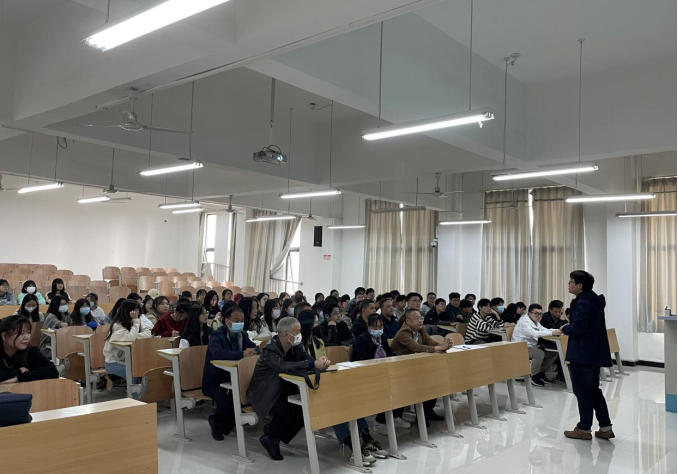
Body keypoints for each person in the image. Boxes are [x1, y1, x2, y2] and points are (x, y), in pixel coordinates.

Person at [248, 317, 330, 461]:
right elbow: (283, 366)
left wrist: (319, 362)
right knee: (285, 411)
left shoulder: (295, 345)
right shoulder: (269, 350)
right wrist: (312, 365)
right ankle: (271, 439)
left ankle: (275, 435)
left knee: (303, 408)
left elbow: (305, 357)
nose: (300, 334)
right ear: (286, 335)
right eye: (297, 331)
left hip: (282, 389)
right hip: (264, 393)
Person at [562, 271, 615, 441]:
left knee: (583, 392)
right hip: (594, 353)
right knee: (593, 390)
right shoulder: (594, 300)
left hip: (582, 353)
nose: (569, 284)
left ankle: (584, 428)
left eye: (571, 282)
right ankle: (605, 427)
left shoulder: (583, 302)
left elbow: (579, 328)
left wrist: (564, 328)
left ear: (580, 285)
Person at [202, 306, 260, 441]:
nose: (240, 323)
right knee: (226, 403)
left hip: (234, 379)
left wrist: (253, 351)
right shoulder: (217, 335)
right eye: (236, 320)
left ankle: (224, 425)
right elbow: (217, 353)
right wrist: (241, 354)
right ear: (227, 321)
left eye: (242, 320)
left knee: (241, 401)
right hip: (214, 381)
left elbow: (256, 348)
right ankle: (215, 420)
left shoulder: (242, 335)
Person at [391, 308, 451, 422]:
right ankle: (417, 414)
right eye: (417, 318)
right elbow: (417, 348)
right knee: (421, 381)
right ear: (408, 321)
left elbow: (430, 342)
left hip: (415, 365)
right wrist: (440, 347)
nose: (420, 321)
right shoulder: (403, 332)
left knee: (434, 379)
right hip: (400, 368)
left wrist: (444, 345)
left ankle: (428, 411)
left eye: (421, 318)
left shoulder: (421, 329)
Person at [352, 314, 406, 435]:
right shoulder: (361, 340)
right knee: (388, 387)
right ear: (368, 326)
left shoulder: (383, 337)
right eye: (375, 327)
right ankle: (379, 422)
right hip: (368, 374)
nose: (378, 330)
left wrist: (398, 360)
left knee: (403, 382)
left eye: (380, 327)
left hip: (384, 371)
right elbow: (359, 360)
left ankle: (396, 416)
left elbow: (389, 353)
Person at [511, 304, 562, 387]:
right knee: (539, 354)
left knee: (553, 353)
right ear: (529, 313)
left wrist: (558, 331)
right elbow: (534, 333)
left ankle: (540, 372)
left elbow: (544, 330)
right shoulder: (524, 322)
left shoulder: (535, 322)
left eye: (540, 314)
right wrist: (552, 333)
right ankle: (533, 376)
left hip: (532, 346)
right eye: (536, 313)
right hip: (520, 347)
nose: (539, 316)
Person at [103, 299, 152, 386]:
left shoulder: (137, 321)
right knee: (135, 372)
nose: (137, 312)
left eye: (138, 309)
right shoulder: (118, 325)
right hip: (113, 362)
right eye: (135, 309)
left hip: (129, 360)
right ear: (128, 311)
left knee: (144, 370)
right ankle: (134, 393)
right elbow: (130, 338)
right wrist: (135, 323)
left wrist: (135, 336)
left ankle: (139, 393)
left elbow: (148, 333)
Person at [0, 315, 59, 384]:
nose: (27, 337)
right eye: (21, 333)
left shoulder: (31, 351)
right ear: (4, 336)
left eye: (28, 332)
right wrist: (19, 371)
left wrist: (18, 378)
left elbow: (53, 371)